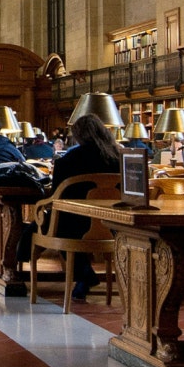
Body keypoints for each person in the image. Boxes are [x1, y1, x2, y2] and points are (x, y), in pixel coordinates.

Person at [44, 114, 125, 297]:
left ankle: (84, 274)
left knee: (56, 224)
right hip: (116, 224)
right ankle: (86, 276)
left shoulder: (68, 160)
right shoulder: (120, 158)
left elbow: (56, 195)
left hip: (74, 225)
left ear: (77, 135)